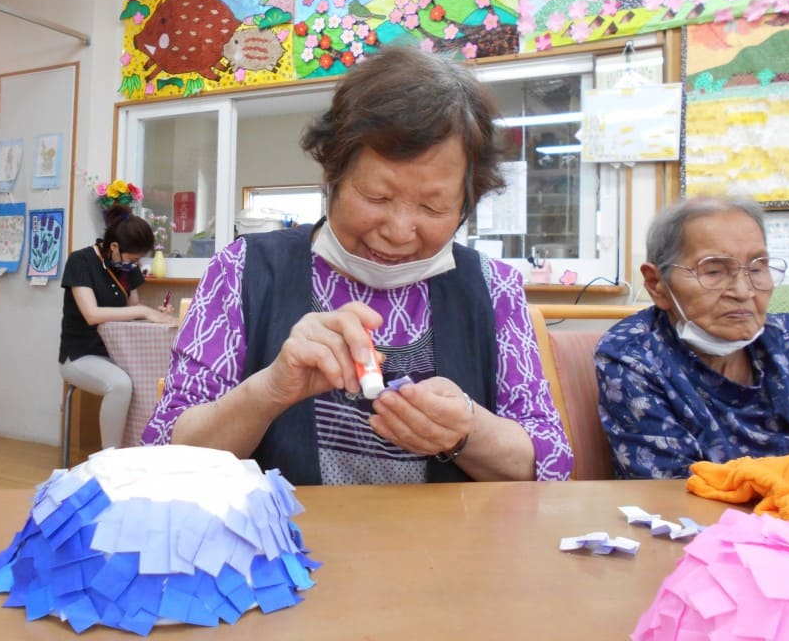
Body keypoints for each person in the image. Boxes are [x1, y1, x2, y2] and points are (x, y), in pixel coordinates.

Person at [142, 45, 573, 484]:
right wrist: (269, 390)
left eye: (434, 206)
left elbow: (550, 465)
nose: (400, 230)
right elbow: (163, 452)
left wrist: (466, 430)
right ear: (330, 177)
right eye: (377, 198)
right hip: (281, 547)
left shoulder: (494, 288)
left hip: (452, 550)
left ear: (466, 201)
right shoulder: (243, 269)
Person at [596, 196, 789, 479]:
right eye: (714, 271)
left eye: (756, 268)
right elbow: (667, 492)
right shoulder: (635, 356)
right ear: (657, 284)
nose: (743, 291)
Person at [59, 204, 172, 450]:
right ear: (113, 247)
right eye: (132, 259)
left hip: (116, 354)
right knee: (120, 385)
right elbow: (91, 314)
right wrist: (144, 311)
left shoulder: (127, 269)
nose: (135, 264)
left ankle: (140, 450)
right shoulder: (81, 261)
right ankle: (109, 458)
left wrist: (154, 313)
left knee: (151, 382)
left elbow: (130, 315)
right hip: (80, 355)